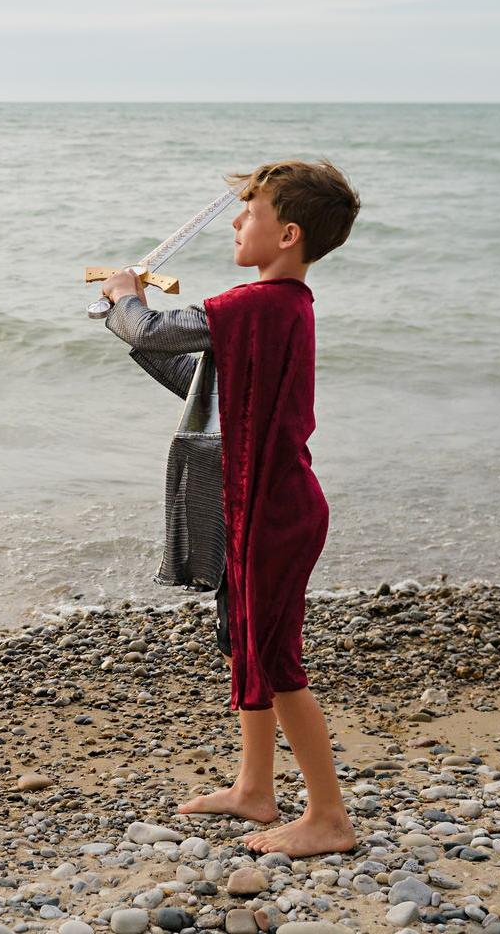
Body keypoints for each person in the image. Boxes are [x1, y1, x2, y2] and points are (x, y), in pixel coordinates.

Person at [100, 160, 360, 857]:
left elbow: (154, 330)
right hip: (261, 505)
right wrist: (120, 319)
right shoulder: (277, 310)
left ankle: (329, 817)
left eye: (252, 212)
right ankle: (255, 788)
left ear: (288, 234)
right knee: (242, 642)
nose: (239, 221)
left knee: (276, 661)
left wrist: (126, 298)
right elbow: (193, 377)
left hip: (277, 511)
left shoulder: (257, 305)